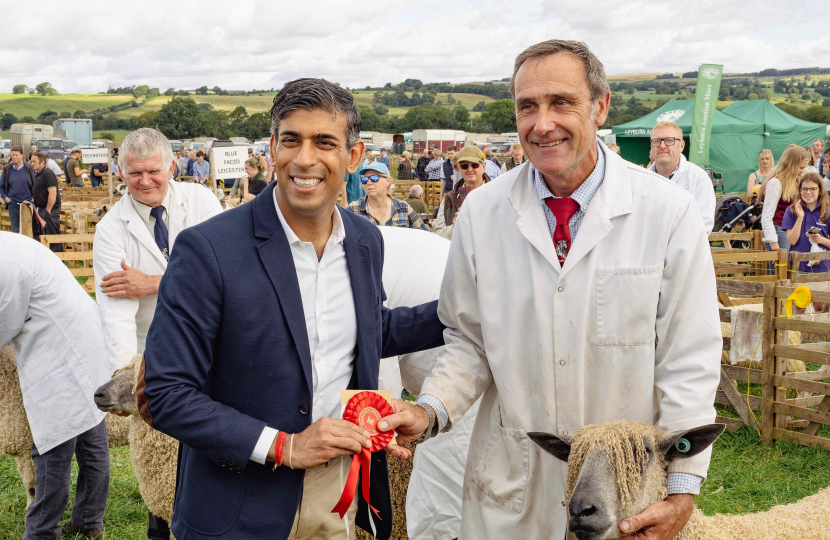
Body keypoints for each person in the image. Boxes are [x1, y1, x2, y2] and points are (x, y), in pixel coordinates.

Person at [379, 39, 721, 540]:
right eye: (527, 107)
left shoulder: (666, 213)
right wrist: (429, 410)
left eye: (562, 102)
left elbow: (688, 358)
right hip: (513, 485)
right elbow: (469, 342)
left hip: (622, 492)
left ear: (600, 107)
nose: (543, 123)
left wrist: (683, 489)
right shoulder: (483, 213)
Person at [135, 77, 445, 540]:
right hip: (238, 500)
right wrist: (285, 446)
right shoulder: (208, 249)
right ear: (272, 148)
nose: (305, 159)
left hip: (336, 490)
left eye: (325, 142)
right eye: (291, 140)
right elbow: (165, 393)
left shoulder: (365, 242)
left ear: (353, 157)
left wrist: (463, 310)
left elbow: (367, 331)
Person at [92, 128, 223, 540]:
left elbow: (221, 277)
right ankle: (161, 520)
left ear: (172, 166)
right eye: (134, 173)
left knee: (211, 431)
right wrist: (125, 373)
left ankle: (216, 513)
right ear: (119, 170)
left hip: (214, 340)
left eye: (153, 171)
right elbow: (115, 309)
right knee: (159, 441)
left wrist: (152, 283)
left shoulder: (202, 203)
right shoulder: (112, 229)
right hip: (153, 350)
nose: (145, 181)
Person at [0, 233, 112, 540]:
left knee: (52, 445)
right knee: (91, 436)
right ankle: (89, 522)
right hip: (80, 337)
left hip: (60, 353)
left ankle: (41, 532)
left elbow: (4, 321)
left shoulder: (5, 264)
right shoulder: (8, 245)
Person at [648, 121, 716, 232]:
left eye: (669, 140)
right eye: (656, 141)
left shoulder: (698, 178)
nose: (662, 146)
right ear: (651, 146)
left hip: (685, 248)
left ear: (682, 146)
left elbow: (703, 225)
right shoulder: (641, 179)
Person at [347, 162, 429, 231]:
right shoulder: (353, 210)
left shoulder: (403, 208)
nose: (368, 182)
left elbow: (425, 236)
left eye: (374, 178)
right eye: (364, 179)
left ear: (388, 181)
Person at [432, 145, 491, 240]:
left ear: (483, 166)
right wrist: (455, 226)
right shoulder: (449, 199)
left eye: (474, 165)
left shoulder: (496, 195)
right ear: (459, 168)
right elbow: (437, 238)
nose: (470, 169)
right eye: (464, 166)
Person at [761, 144, 808, 254]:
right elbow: (767, 216)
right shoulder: (776, 183)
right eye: (801, 167)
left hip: (792, 230)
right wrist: (774, 244)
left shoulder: (796, 181)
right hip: (779, 230)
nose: (803, 171)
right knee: (781, 269)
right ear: (791, 164)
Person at [782, 172, 830, 274]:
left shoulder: (827, 212)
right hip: (797, 267)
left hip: (822, 268)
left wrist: (821, 240)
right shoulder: (791, 211)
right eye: (804, 189)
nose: (808, 192)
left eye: (813, 189)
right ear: (800, 191)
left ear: (820, 191)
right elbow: (792, 241)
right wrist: (800, 217)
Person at [29, 152, 62, 249]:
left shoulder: (48, 173)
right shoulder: (38, 174)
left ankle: (58, 258)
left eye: (34, 161)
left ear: (42, 162)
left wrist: (48, 210)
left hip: (50, 209)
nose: (32, 164)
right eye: (31, 161)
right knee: (45, 234)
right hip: (42, 208)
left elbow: (53, 193)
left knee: (52, 234)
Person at [1, 145, 34, 233]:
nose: (14, 157)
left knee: (27, 230)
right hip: (13, 204)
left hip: (27, 203)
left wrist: (33, 198)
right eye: (12, 155)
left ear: (22, 155)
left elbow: (35, 185)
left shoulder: (29, 168)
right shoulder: (7, 169)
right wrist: (5, 198)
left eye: (16, 155)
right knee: (15, 230)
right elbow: (1, 186)